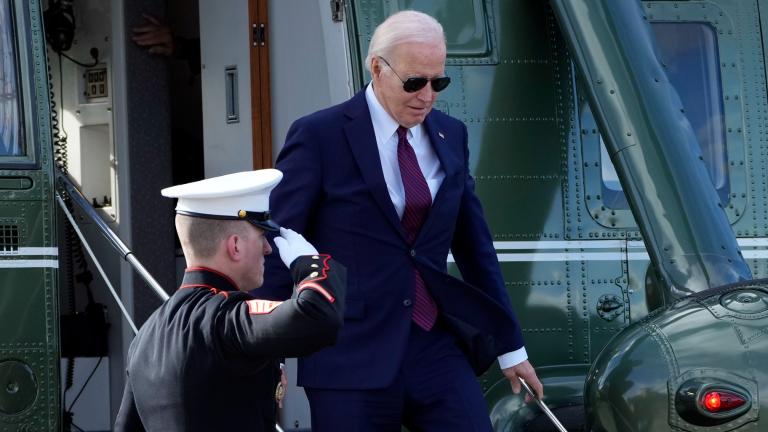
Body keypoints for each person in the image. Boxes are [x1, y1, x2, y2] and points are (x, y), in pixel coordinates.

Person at [259, 10, 543, 431]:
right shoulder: (320, 135)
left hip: (435, 347)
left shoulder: (451, 134)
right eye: (414, 82)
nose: (427, 96)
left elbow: (474, 245)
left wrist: (510, 346)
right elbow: (278, 238)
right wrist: (265, 348)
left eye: (438, 82)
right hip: (349, 353)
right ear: (377, 68)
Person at [114, 169, 346, 432]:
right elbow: (315, 317)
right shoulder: (225, 316)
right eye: (261, 236)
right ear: (235, 246)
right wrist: (310, 265)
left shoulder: (146, 335)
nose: (268, 249)